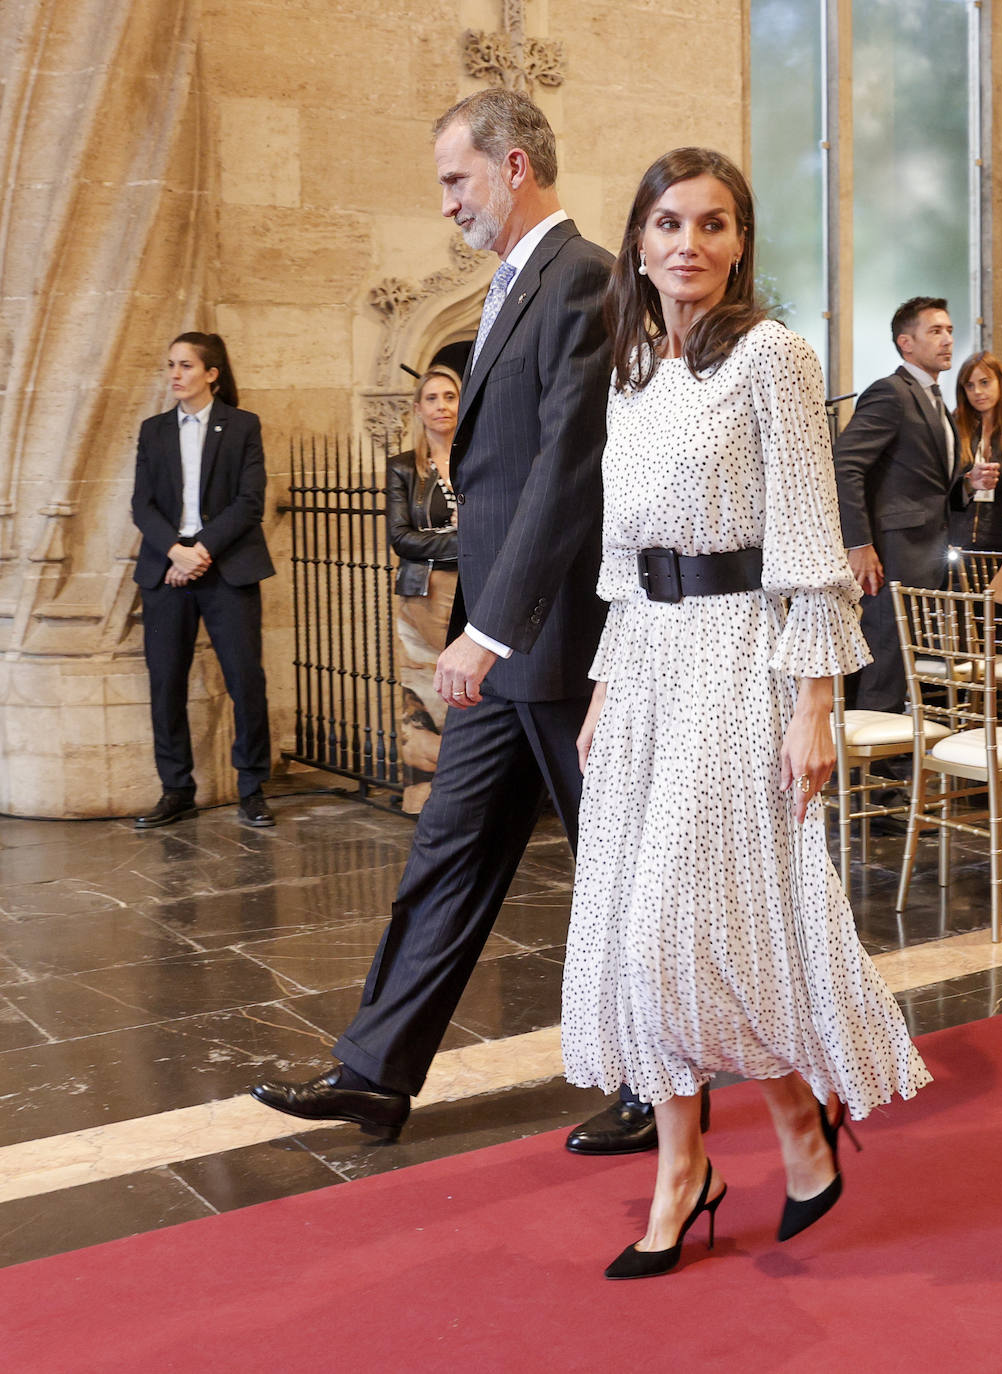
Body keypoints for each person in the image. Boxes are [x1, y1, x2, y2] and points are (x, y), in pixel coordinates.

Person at [251, 89, 655, 1148]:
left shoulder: (587, 284)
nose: (444, 206)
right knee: (445, 852)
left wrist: (493, 627)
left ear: (513, 165)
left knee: (616, 866)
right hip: (506, 641)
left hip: (563, 643)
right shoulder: (510, 289)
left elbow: (569, 471)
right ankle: (375, 1072)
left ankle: (657, 1082)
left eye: (453, 181)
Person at [560, 147, 932, 1280]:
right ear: (636, 239)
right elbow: (624, 558)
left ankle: (786, 1127)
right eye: (668, 223)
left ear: (739, 241)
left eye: (713, 225)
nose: (689, 244)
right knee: (639, 931)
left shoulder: (771, 357)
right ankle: (707, 1161)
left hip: (739, 660)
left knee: (694, 923)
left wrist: (813, 700)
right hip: (651, 666)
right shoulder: (628, 368)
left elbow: (810, 548)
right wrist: (606, 683)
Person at [131, 332, 276, 830]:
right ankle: (176, 790)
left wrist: (200, 552)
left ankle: (252, 788)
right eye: (171, 364)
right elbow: (141, 505)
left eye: (186, 365)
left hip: (226, 567)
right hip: (166, 569)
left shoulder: (242, 426)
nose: (175, 374)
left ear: (211, 373)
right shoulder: (152, 431)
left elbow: (249, 503)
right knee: (166, 682)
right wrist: (176, 551)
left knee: (246, 680)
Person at [834, 296, 962, 713]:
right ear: (906, 343)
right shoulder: (891, 393)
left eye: (949, 330)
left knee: (903, 656)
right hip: (891, 551)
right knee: (884, 653)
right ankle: (873, 761)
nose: (947, 340)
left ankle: (893, 753)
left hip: (927, 551)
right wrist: (859, 544)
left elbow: (927, 481)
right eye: (935, 331)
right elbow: (845, 467)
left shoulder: (935, 398)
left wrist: (965, 480)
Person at [388, 365, 462, 814]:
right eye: (432, 399)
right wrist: (463, 542)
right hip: (425, 592)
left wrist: (449, 541)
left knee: (473, 687)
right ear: (418, 409)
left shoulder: (479, 456)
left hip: (476, 586)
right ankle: (428, 798)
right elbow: (401, 538)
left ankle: (473, 795)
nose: (441, 406)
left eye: (449, 397)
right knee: (429, 688)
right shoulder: (404, 468)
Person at [948, 350, 1002, 551]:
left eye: (985, 382)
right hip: (956, 543)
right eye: (970, 385)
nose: (977, 391)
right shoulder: (953, 429)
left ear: (1000, 383)